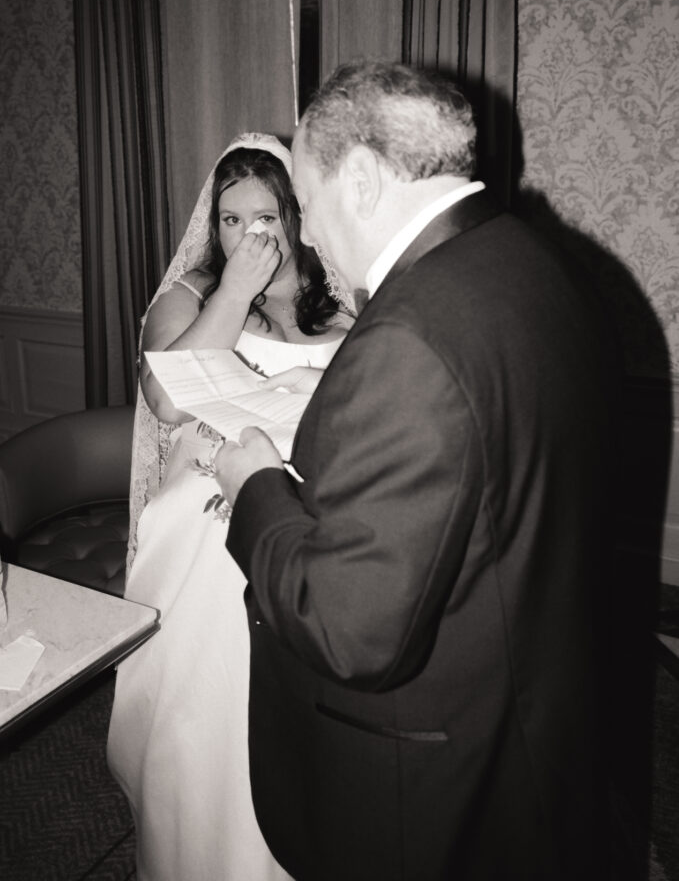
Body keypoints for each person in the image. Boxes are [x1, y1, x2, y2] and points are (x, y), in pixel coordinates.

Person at [214, 63, 618, 880]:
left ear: (359, 178)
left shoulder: (406, 339)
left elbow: (348, 631)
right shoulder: (536, 262)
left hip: (421, 773)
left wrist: (256, 484)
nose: (310, 236)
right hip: (522, 697)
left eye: (310, 202)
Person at [107, 133, 350, 881]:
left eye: (267, 218)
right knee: (215, 601)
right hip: (205, 491)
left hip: (312, 491)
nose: (250, 236)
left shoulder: (343, 298)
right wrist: (235, 292)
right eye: (230, 220)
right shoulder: (190, 296)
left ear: (297, 219)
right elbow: (164, 399)